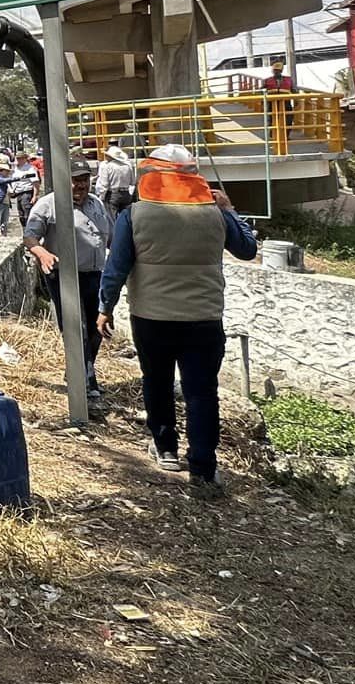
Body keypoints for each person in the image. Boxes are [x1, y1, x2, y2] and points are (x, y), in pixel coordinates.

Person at [96, 144, 259, 491]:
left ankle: (165, 448)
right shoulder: (215, 214)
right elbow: (248, 249)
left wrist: (104, 307)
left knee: (156, 382)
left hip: (152, 317)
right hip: (204, 318)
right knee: (202, 392)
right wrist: (229, 210)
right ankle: (203, 465)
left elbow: (117, 267)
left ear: (152, 176)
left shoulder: (135, 216)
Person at [24, 160, 113, 398]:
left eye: (84, 179)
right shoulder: (48, 205)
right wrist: (42, 253)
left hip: (95, 274)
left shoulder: (97, 204)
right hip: (63, 275)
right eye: (75, 180)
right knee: (75, 328)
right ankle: (85, 379)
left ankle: (83, 369)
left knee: (97, 327)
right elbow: (30, 236)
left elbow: (111, 238)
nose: (80, 185)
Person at [96, 145, 136, 216]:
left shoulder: (108, 166)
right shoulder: (127, 166)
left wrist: (101, 197)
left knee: (112, 218)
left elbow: (104, 184)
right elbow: (132, 182)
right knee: (126, 216)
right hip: (126, 194)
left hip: (113, 194)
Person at [8, 150, 39, 226]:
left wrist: (35, 196)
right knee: (21, 214)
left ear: (25, 159)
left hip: (26, 192)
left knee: (27, 213)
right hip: (18, 193)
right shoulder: (15, 168)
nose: (19, 160)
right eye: (18, 158)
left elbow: (35, 183)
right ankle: (24, 232)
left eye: (21, 158)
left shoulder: (30, 169)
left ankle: (29, 233)